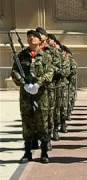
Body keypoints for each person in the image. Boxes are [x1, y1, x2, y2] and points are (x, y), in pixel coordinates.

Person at [11, 30, 54, 163]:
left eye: (33, 37)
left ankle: (44, 153)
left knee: (42, 123)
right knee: (27, 123)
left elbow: (50, 72)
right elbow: (14, 72)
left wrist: (38, 83)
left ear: (39, 40)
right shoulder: (21, 56)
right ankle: (27, 152)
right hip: (26, 96)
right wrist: (23, 83)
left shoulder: (46, 56)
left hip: (41, 95)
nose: (31, 39)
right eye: (29, 37)